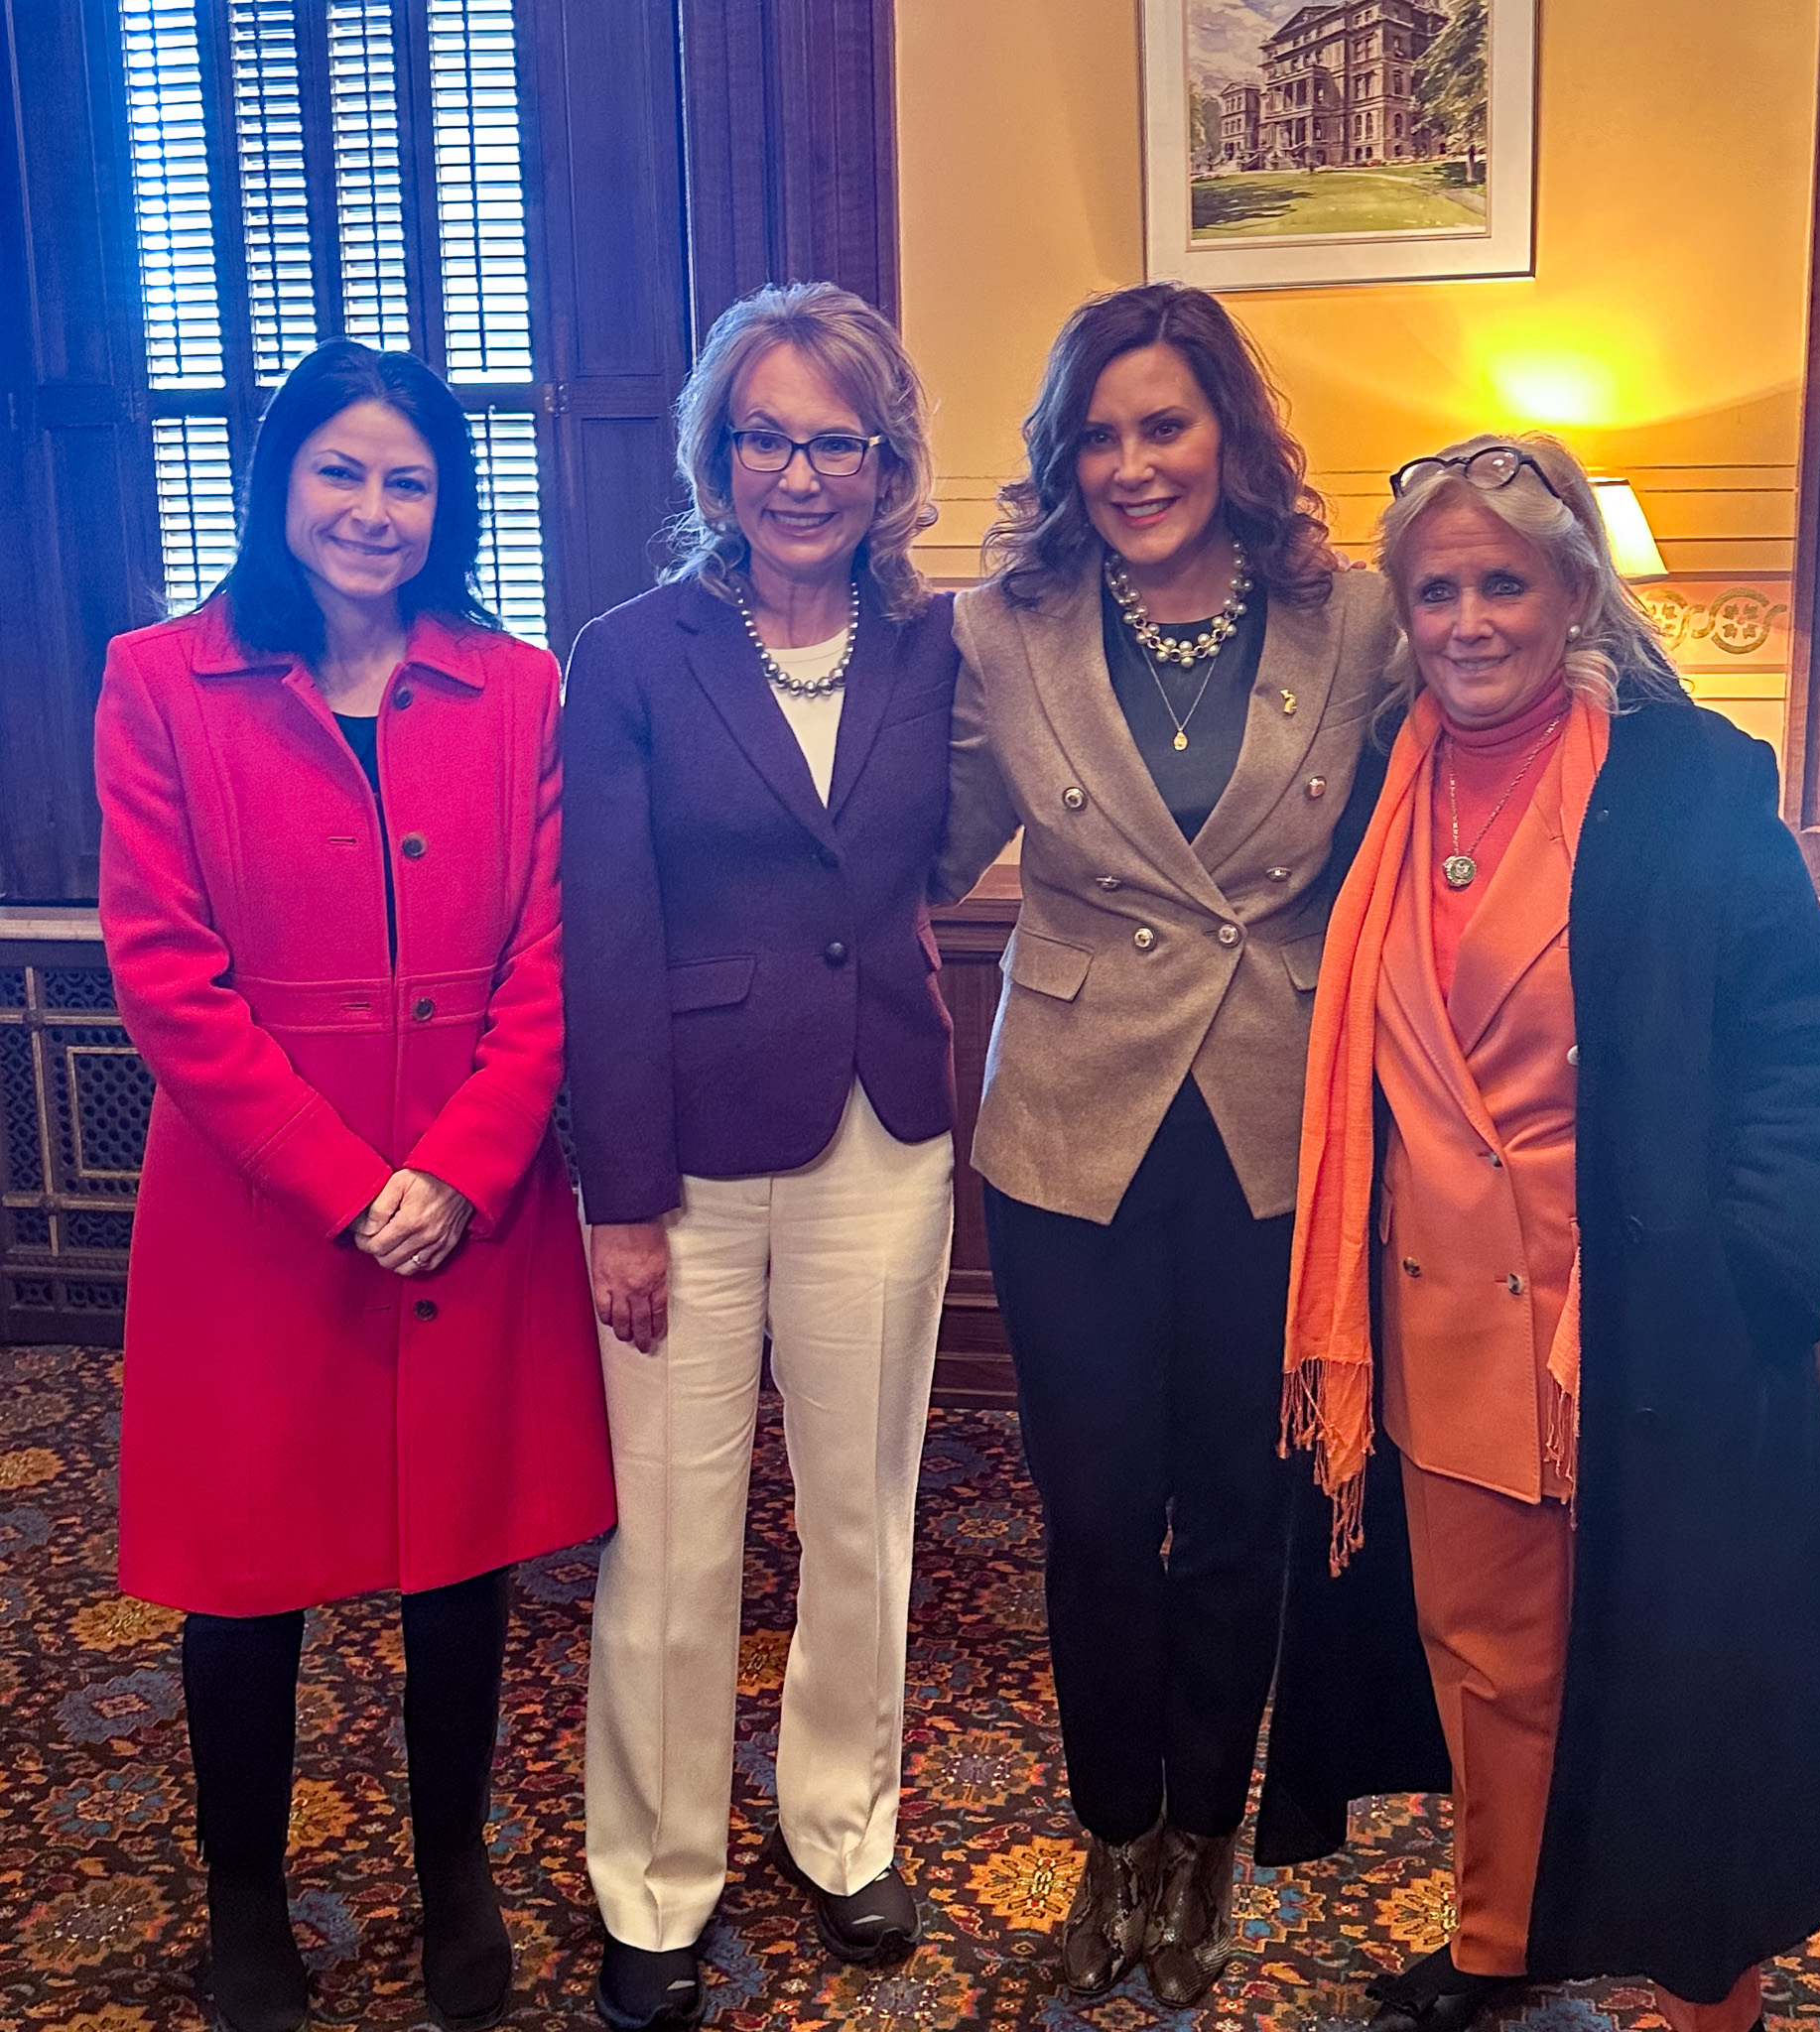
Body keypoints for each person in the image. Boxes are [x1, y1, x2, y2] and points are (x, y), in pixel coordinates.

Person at [1261, 433, 1820, 2032]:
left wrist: (1760, 1271)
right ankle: (1501, 1940)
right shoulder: (1378, 795)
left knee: (1679, 1669)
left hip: (1653, 1329)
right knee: (1486, 1661)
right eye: (1439, 589)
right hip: (1439, 1321)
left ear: (1575, 590)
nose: (1469, 620)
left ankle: (1704, 1986)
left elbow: (1805, 1043)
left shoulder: (1690, 783)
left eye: (1504, 584)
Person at [93, 339, 617, 2032]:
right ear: (280, 483)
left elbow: (552, 954)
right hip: (258, 1210)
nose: (373, 509)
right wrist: (344, 1181)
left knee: (455, 1563)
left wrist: (462, 1167)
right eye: (340, 471)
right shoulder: (159, 680)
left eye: (407, 477)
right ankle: (246, 1900)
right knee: (244, 1576)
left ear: (445, 498)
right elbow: (166, 975)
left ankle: (450, 1867)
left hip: (469, 1199)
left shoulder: (518, 685)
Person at [931, 281, 1397, 2008]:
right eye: (1100, 436)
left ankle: (1207, 1841)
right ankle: (1112, 1831)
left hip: (1276, 1127)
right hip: (1070, 1132)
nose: (1135, 464)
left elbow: (1466, 763)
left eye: (1166, 425)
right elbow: (917, 839)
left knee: (1241, 1513)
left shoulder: (1352, 621)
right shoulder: (998, 631)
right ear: (1067, 460)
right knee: (1096, 1507)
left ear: (1229, 435)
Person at [562, 282, 958, 2032]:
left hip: (885, 1128)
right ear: (717, 456)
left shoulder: (940, 647)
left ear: (888, 462)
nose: (802, 474)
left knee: (865, 1508)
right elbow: (605, 940)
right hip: (691, 1157)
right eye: (768, 438)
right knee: (673, 1533)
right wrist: (620, 1203)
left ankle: (842, 1822)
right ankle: (653, 1881)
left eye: (838, 441)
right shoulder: (632, 653)